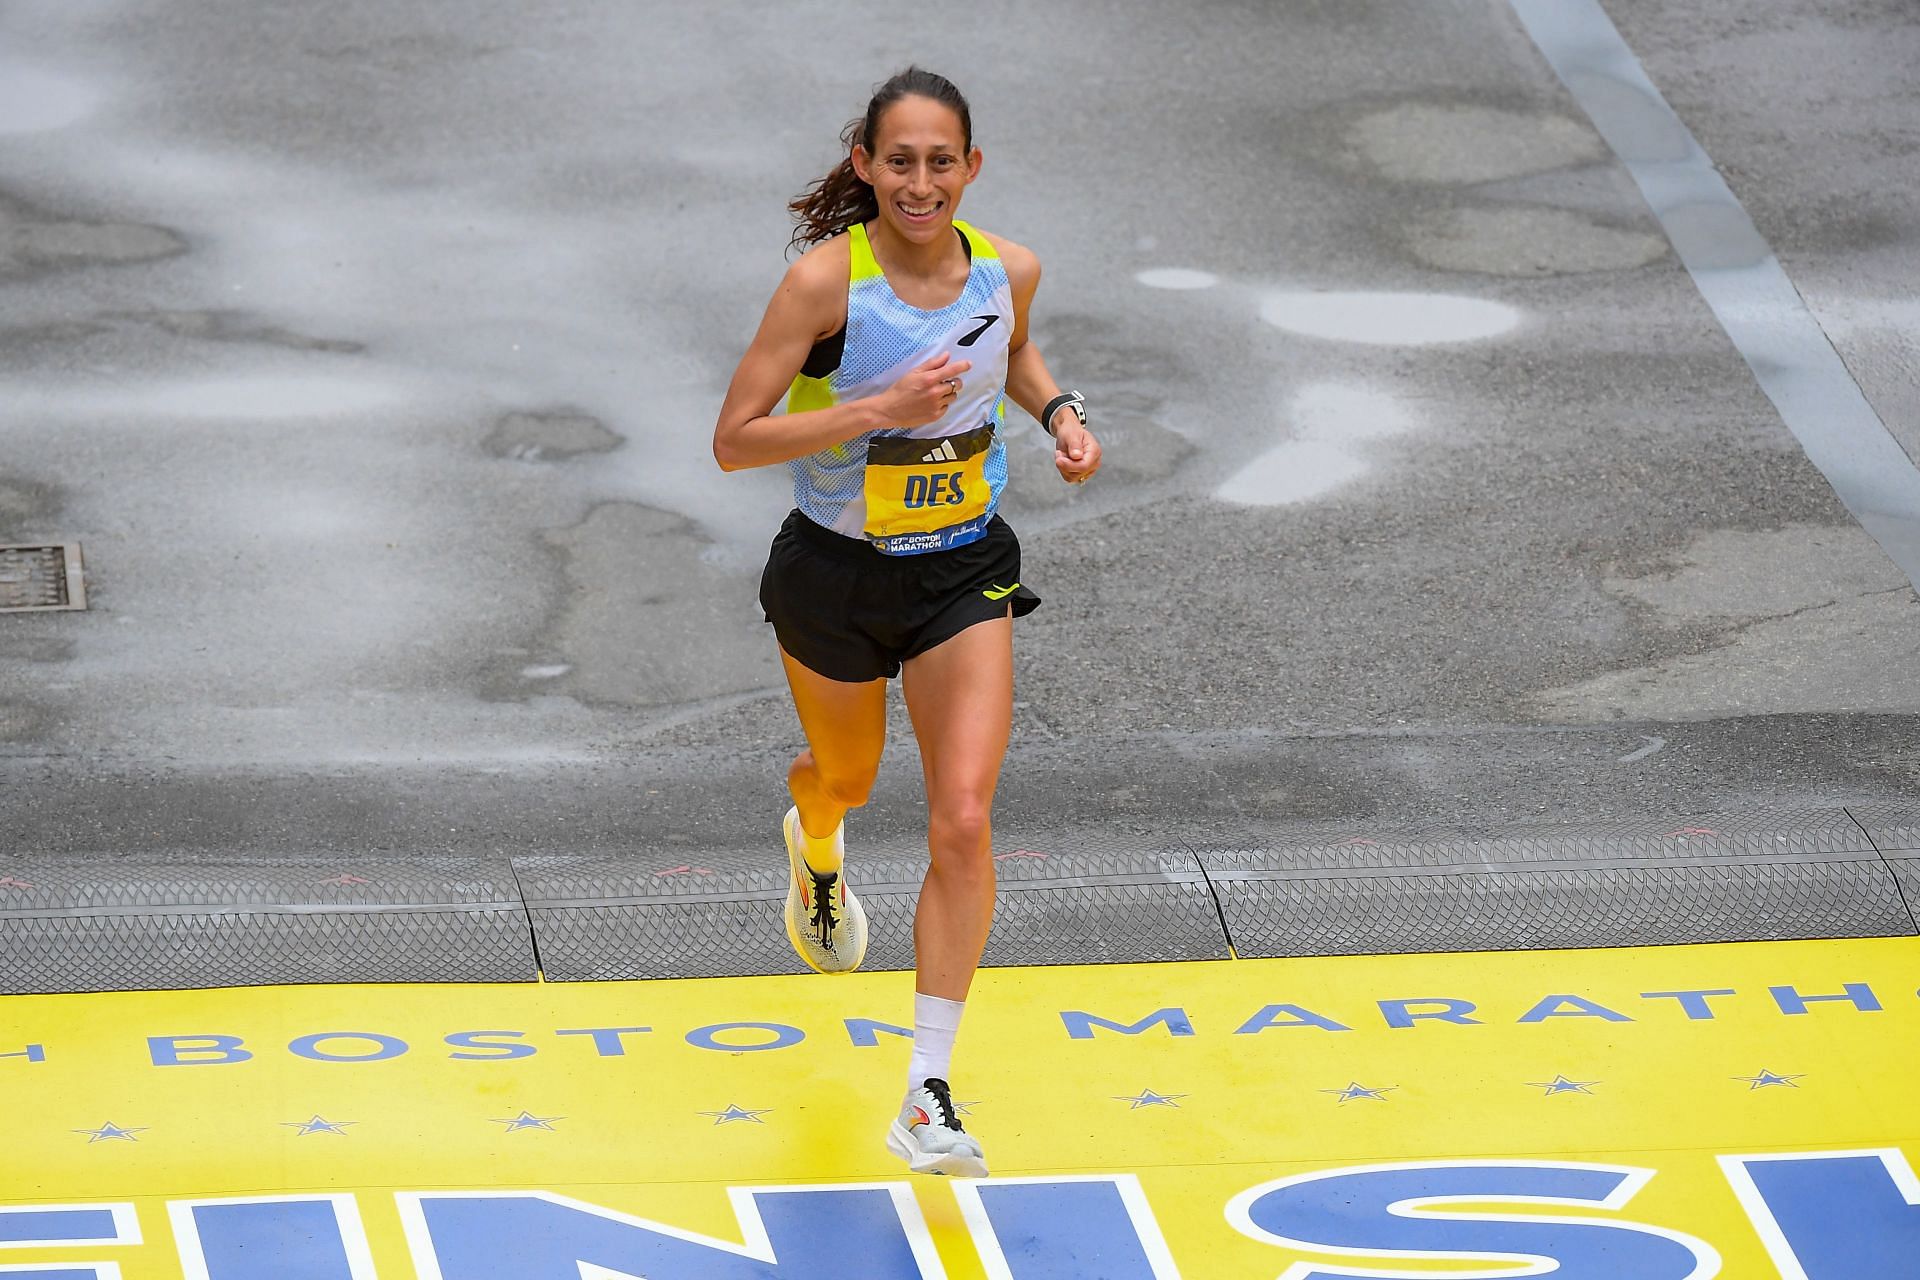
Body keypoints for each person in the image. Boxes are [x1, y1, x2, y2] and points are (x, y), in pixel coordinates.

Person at [712, 66, 1102, 1178]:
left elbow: (1013, 352)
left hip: (960, 572)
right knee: (846, 777)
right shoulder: (825, 287)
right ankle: (816, 841)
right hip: (834, 575)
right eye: (900, 162)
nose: (921, 182)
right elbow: (735, 438)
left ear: (970, 169)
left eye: (942, 162)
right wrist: (878, 408)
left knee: (964, 817)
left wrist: (1062, 413)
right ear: (865, 167)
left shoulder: (1008, 270)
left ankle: (928, 1088)